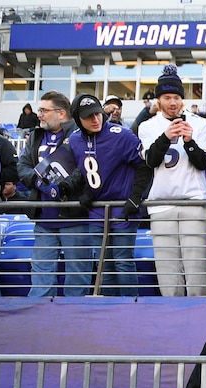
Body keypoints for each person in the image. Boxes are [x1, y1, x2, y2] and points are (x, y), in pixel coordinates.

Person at [65, 94, 153, 297]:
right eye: (88, 117)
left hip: (123, 207)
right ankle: (110, 308)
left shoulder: (121, 135)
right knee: (104, 262)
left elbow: (144, 166)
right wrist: (86, 191)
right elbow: (86, 169)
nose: (95, 120)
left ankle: (131, 307)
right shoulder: (75, 139)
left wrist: (135, 197)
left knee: (123, 260)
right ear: (78, 119)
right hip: (97, 209)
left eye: (97, 114)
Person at [139, 65, 206, 297]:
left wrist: (189, 141)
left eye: (177, 97)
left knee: (196, 275)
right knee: (168, 275)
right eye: (167, 97)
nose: (173, 102)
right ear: (158, 100)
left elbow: (203, 163)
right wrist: (166, 136)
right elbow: (151, 161)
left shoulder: (200, 124)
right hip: (161, 205)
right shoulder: (147, 126)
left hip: (195, 203)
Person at [18, 91, 91, 298]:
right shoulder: (35, 135)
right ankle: (39, 322)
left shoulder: (80, 135)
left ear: (61, 113)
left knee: (78, 275)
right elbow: (22, 165)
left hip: (74, 218)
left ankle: (74, 323)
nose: (38, 114)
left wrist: (66, 185)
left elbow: (84, 168)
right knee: (41, 275)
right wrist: (37, 181)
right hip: (43, 219)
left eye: (43, 110)